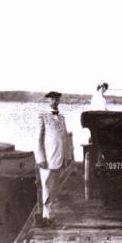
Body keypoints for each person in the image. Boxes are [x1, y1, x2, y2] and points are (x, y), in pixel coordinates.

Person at [34, 91, 72, 226]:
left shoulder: (61, 118)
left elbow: (65, 139)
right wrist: (40, 158)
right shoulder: (42, 116)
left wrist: (68, 156)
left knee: (54, 188)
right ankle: (47, 216)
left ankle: (49, 214)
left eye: (57, 99)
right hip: (47, 160)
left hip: (59, 158)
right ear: (48, 101)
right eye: (52, 99)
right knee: (46, 187)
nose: (55, 101)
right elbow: (38, 139)